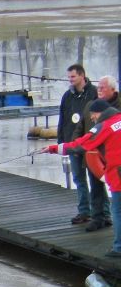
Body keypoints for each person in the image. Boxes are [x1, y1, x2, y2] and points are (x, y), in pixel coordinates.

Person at [47, 99, 121, 257]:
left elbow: (80, 144)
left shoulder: (103, 126)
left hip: (118, 176)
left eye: (93, 115)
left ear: (99, 113)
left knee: (118, 211)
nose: (92, 118)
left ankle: (119, 248)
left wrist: (53, 149)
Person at [74, 75, 120, 231]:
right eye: (98, 87)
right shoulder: (90, 105)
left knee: (115, 190)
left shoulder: (119, 107)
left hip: (113, 158)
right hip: (93, 155)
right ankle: (98, 217)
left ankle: (109, 217)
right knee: (95, 187)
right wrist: (74, 145)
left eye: (102, 88)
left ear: (112, 89)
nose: (99, 90)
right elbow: (81, 126)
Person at [57, 64, 97, 225]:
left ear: (82, 76)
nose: (70, 80)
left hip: (91, 144)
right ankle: (84, 211)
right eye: (68, 77)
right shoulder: (67, 96)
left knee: (96, 179)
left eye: (73, 76)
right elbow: (62, 119)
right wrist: (61, 142)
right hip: (73, 144)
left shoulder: (94, 93)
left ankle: (101, 212)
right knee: (79, 179)